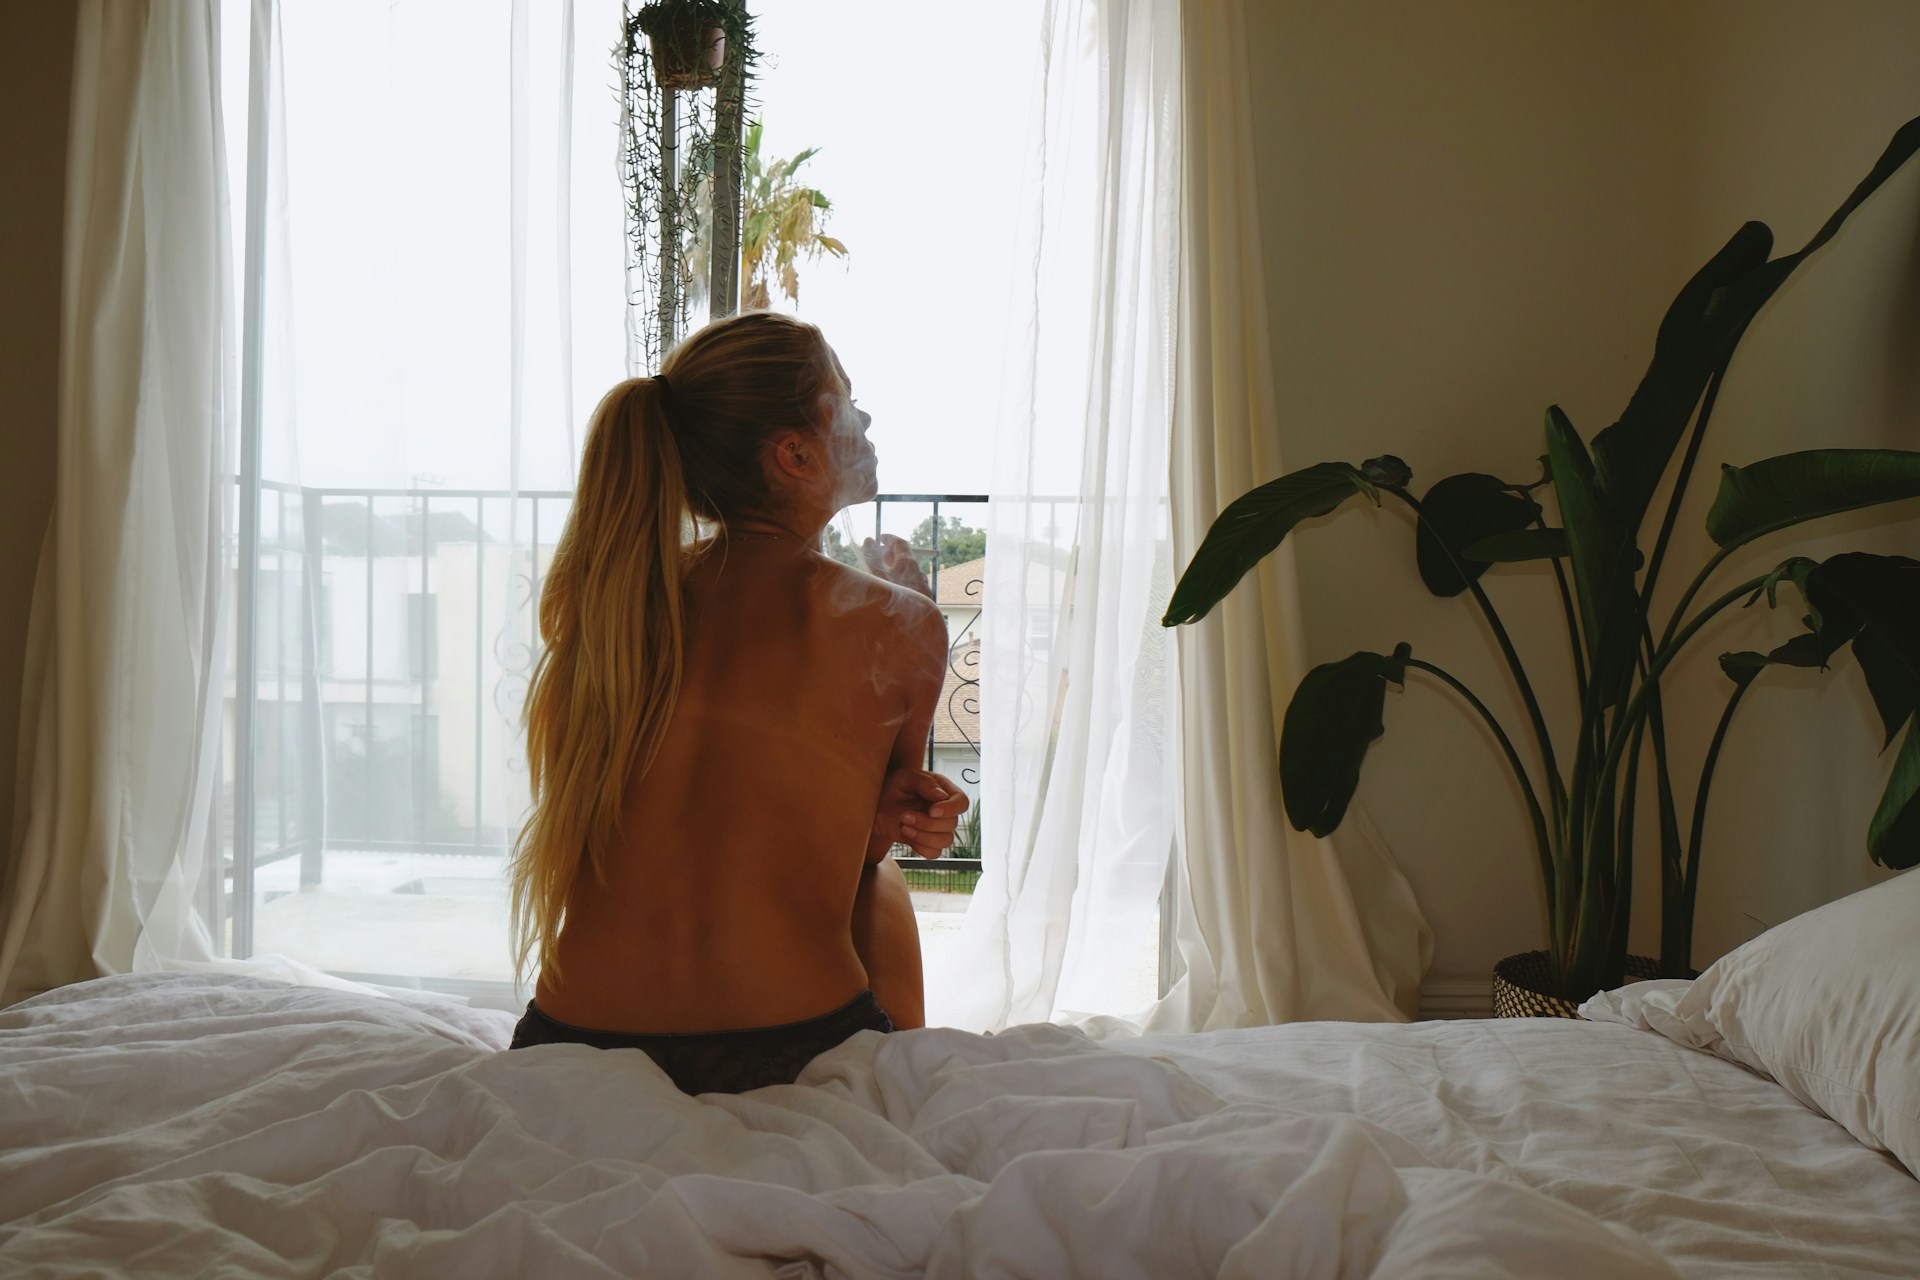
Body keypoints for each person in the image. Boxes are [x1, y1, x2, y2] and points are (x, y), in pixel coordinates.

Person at [505, 309, 969, 1096]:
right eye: (844, 402)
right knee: (878, 884)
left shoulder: (617, 604)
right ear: (792, 453)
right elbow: (874, 847)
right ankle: (900, 1088)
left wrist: (883, 810)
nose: (864, 420)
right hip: (784, 1044)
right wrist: (913, 814)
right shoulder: (900, 623)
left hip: (571, 1038)